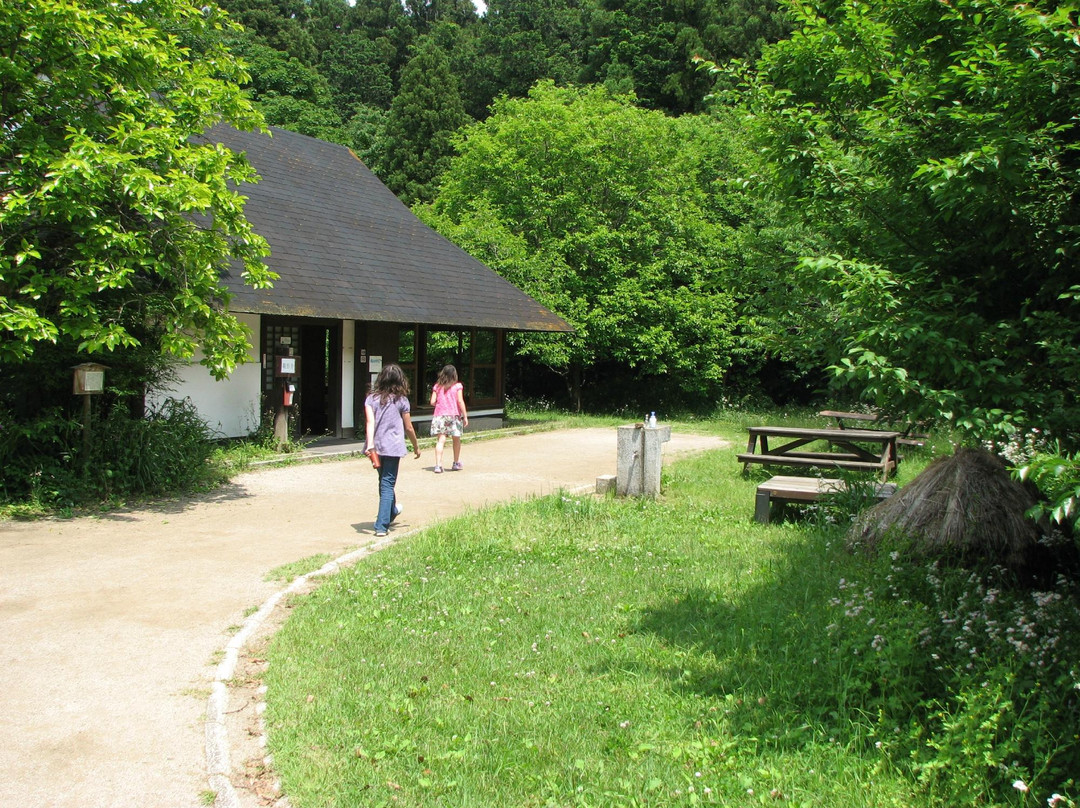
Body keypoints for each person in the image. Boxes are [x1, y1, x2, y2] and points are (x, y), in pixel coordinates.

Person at [364, 363, 420, 537]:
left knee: (384, 482)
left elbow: (369, 423)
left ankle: (392, 511)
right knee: (387, 484)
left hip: (377, 447)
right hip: (393, 447)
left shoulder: (371, 399)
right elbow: (409, 427)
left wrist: (370, 444)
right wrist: (416, 446)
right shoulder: (401, 400)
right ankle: (382, 526)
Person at [429, 364, 469, 473]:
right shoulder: (457, 386)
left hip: (440, 415)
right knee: (456, 439)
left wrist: (440, 403)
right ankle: (456, 463)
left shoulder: (437, 386)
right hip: (454, 415)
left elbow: (432, 402)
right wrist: (465, 416)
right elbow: (460, 401)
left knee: (441, 440)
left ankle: (438, 465)